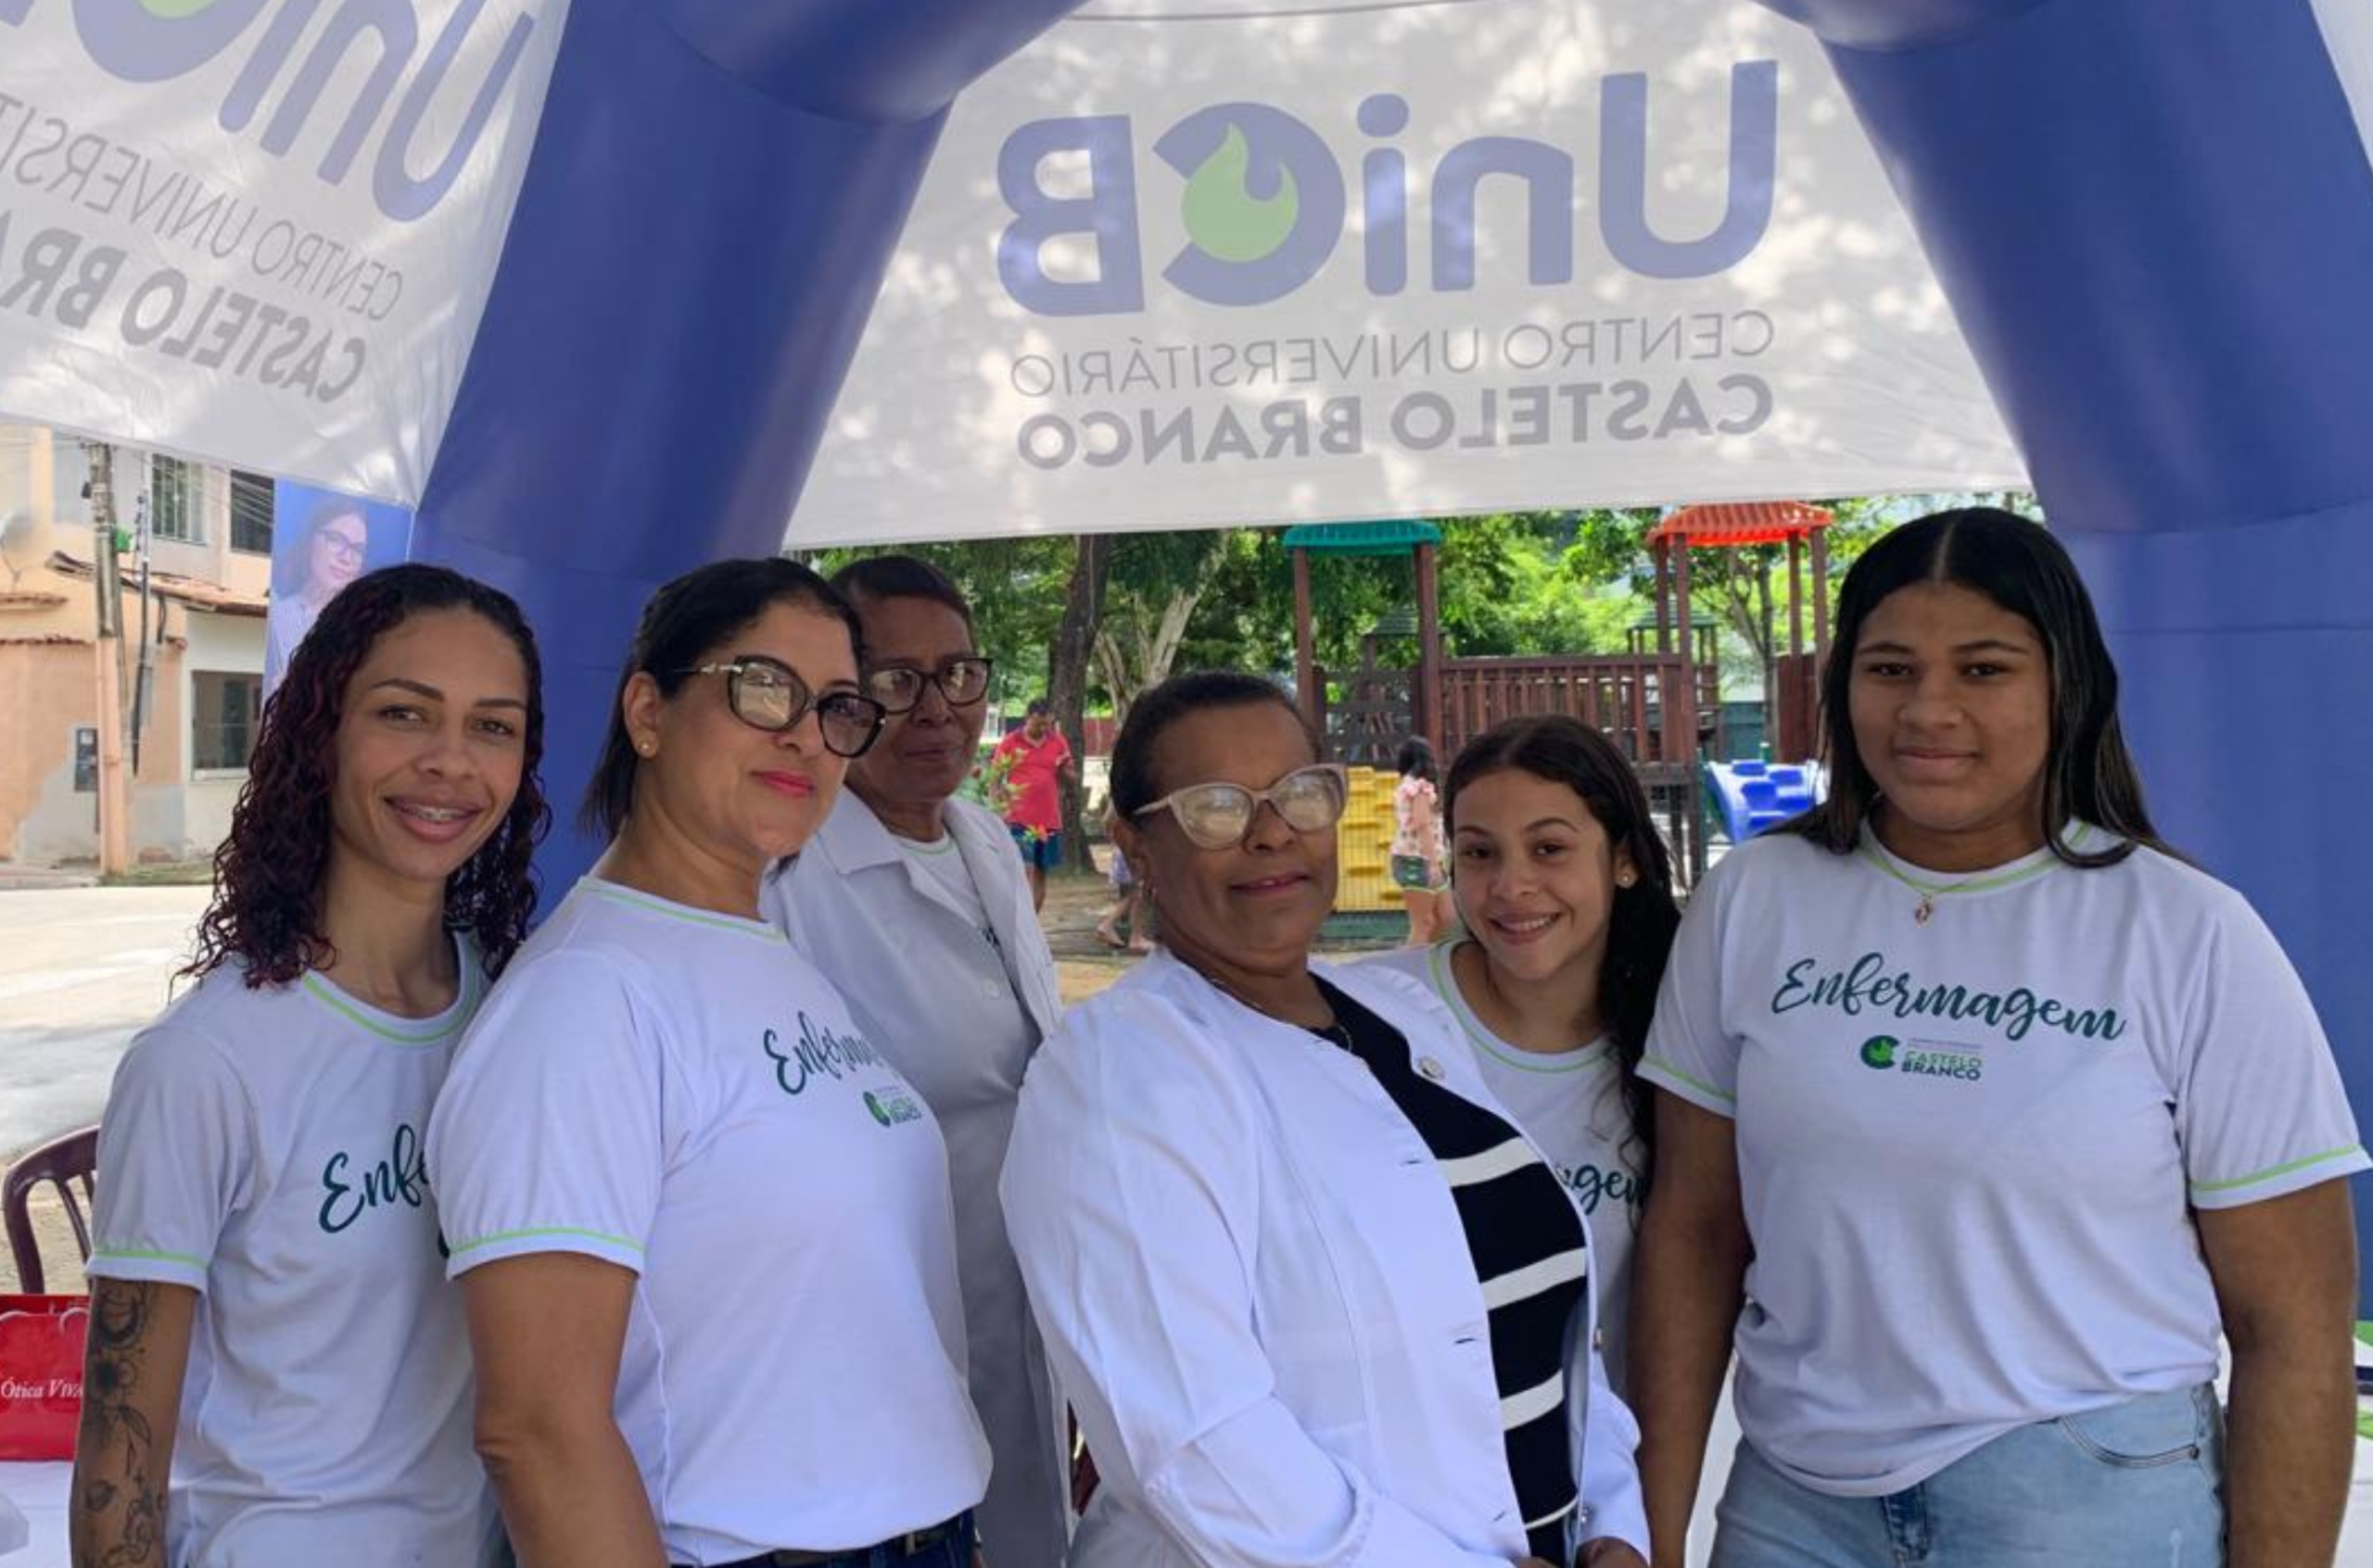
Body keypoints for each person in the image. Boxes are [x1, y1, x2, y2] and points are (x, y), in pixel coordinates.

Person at [1631, 507, 2367, 1568]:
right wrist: (1652, 1531)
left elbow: (2292, 1328)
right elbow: (1692, 1235)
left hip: (2087, 1502)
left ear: (2064, 683)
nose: (1927, 709)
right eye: (1888, 668)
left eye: (1983, 669)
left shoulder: (2189, 934)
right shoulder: (1753, 902)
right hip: (1794, 1503)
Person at [1002, 671, 1648, 1568]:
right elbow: (1196, 1443)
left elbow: (1545, 1322)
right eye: (1214, 808)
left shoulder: (1401, 1012)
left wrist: (1613, 1520)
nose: (1271, 831)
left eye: (1300, 795)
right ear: (1133, 844)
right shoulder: (1119, 1076)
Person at [428, 559, 990, 1568]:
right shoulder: (586, 1000)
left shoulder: (770, 953)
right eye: (762, 687)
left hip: (918, 1535)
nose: (804, 737)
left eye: (836, 708)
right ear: (648, 709)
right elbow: (537, 1432)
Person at [72, 563, 547, 1567]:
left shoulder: (523, 1017)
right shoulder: (204, 1062)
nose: (451, 763)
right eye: (405, 714)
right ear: (319, 732)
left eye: (493, 726)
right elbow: (123, 1456)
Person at [761, 554, 1071, 1568]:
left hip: (1026, 1313)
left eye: (959, 675)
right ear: (839, 704)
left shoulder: (984, 840)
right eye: (894, 682)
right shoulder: (790, 877)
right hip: (877, 1345)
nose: (936, 708)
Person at [1364, 715, 1680, 1396]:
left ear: (1622, 858)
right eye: (1480, 854)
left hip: (1583, 1475)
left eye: (1549, 849)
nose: (1511, 886)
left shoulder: (1683, 1042)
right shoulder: (1372, 1016)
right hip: (1389, 1474)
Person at [263, 498, 371, 695]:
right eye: (337, 540)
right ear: (309, 540)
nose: (346, 558)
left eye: (357, 550)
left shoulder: (367, 627)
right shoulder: (277, 615)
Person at [990, 698, 1077, 911]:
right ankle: (1019, 923)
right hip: (1018, 819)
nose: (1044, 728)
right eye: (1039, 723)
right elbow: (995, 779)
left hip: (1047, 820)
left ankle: (1032, 928)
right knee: (1023, 871)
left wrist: (1064, 770)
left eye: (1048, 724)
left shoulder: (1058, 742)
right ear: (1027, 718)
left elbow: (1072, 779)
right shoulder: (1010, 742)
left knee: (1040, 872)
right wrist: (999, 810)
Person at [1390, 735, 1453, 944]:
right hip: (1416, 860)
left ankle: (1427, 963)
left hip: (1418, 858)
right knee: (1424, 924)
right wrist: (1434, 863)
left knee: (1446, 918)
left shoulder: (1407, 785)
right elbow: (1422, 824)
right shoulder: (1420, 787)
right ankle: (1409, 970)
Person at [1095, 803, 1153, 954]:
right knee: (1140, 891)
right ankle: (1109, 925)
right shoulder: (1132, 803)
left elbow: (1107, 821)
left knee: (1136, 893)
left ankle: (1135, 936)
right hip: (1131, 851)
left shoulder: (1117, 801)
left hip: (1121, 851)